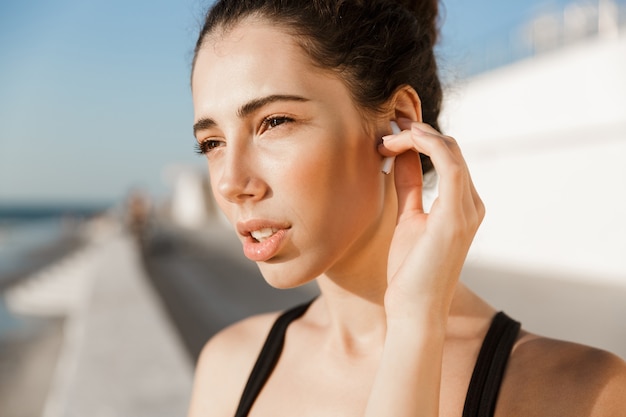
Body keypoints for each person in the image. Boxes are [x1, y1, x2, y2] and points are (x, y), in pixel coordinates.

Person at [187, 1, 626, 416]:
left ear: (399, 120)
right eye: (212, 143)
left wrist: (415, 325)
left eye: (274, 122)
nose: (229, 182)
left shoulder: (578, 393)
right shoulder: (229, 366)